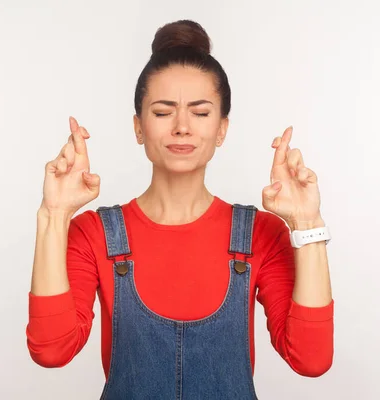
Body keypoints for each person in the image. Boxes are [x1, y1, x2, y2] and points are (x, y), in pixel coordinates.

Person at [26, 19, 334, 400]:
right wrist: (53, 215)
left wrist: (307, 222)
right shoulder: (94, 235)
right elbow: (51, 350)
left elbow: (312, 359)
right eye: (162, 112)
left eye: (201, 113)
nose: (182, 127)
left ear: (222, 129)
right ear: (138, 128)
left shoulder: (260, 235)